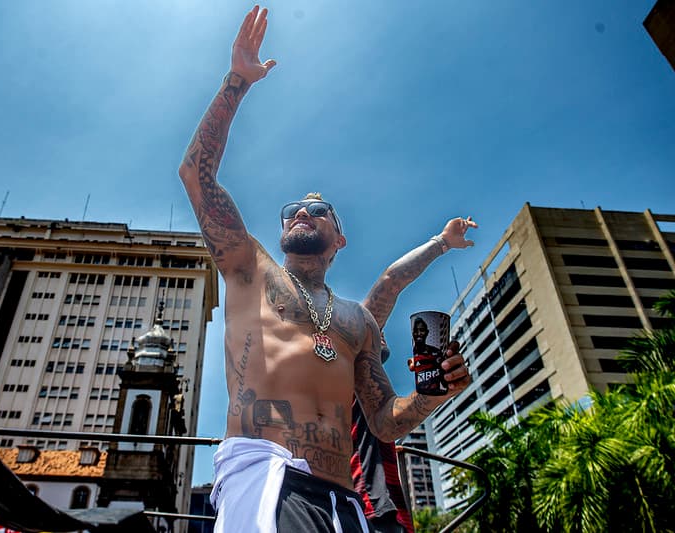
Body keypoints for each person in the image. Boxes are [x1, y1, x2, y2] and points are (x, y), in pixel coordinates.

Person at [178, 6, 471, 532]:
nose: (303, 213)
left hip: (344, 501)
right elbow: (196, 176)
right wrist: (237, 82)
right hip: (268, 478)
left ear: (339, 238)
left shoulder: (357, 321)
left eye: (319, 211)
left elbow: (384, 421)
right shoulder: (250, 269)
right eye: (292, 211)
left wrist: (434, 393)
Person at [353, 217, 478, 533]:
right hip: (355, 501)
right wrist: (442, 242)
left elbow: (390, 424)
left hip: (383, 502)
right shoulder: (343, 358)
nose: (379, 333)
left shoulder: (369, 389)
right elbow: (391, 280)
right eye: (373, 330)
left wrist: (438, 392)